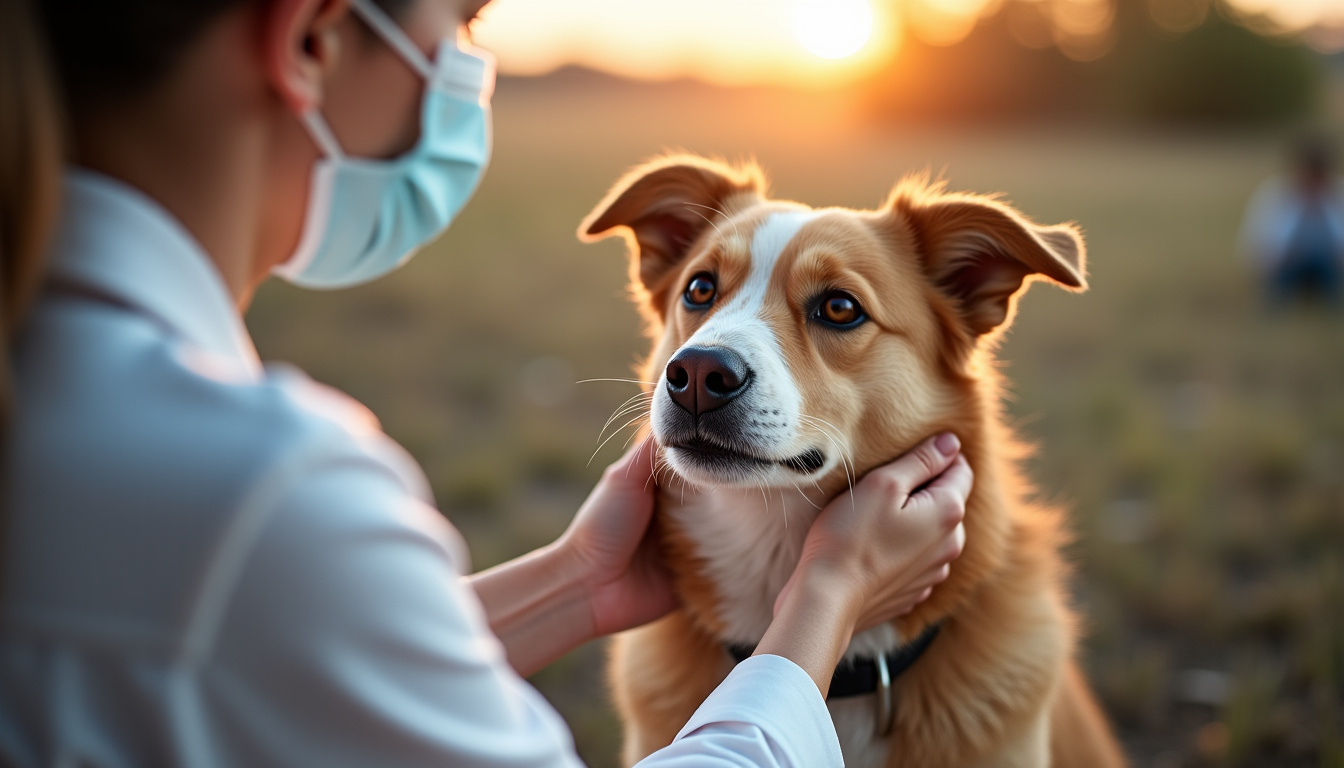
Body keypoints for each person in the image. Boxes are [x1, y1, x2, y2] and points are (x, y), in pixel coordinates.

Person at [0, 0, 972, 766]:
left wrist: (578, 581)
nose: (465, 74)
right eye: (463, 21)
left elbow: (273, 660)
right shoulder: (264, 495)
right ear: (311, 39)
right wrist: (826, 601)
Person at [1239, 138, 1344, 308]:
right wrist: (1275, 257)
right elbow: (1253, 243)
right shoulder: (1273, 195)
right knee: (1277, 296)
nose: (1312, 185)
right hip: (1287, 267)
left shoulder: (1338, 194)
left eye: (1317, 179)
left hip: (1330, 267)